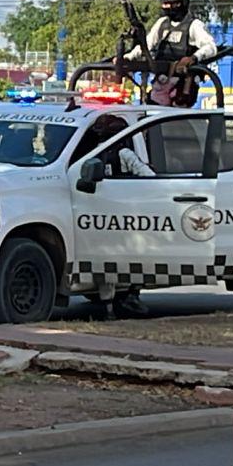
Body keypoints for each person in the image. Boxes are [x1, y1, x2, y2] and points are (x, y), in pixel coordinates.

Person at [77, 113, 155, 318]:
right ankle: (129, 297)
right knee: (134, 257)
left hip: (99, 214)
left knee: (106, 262)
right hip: (126, 214)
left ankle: (109, 306)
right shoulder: (125, 154)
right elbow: (149, 177)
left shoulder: (89, 155)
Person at [122, 0, 217, 107]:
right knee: (151, 113)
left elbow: (211, 47)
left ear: (180, 4)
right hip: (161, 81)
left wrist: (193, 58)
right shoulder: (162, 23)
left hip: (182, 85)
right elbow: (147, 44)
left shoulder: (194, 25)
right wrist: (128, 57)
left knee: (175, 115)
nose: (167, 8)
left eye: (171, 4)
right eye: (165, 4)